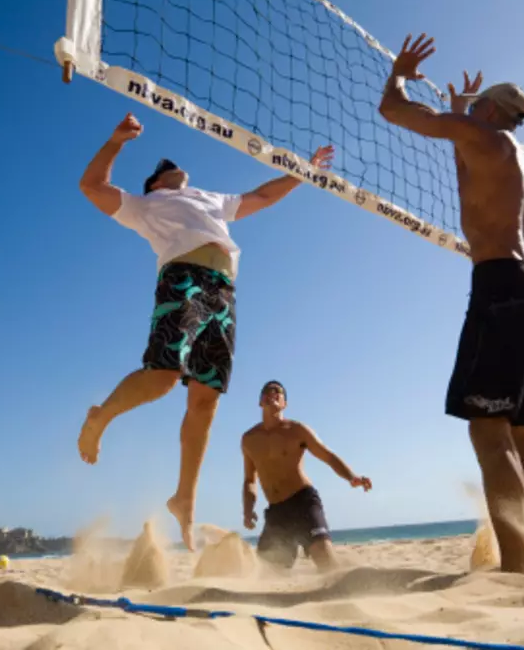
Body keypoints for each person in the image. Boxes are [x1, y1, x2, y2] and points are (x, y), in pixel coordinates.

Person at [76, 112, 334, 551]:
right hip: (184, 280)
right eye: (160, 169)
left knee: (206, 398)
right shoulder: (145, 207)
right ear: (154, 185)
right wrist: (116, 141)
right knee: (162, 377)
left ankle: (185, 498)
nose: (169, 164)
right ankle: (101, 416)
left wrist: (304, 172)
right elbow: (92, 187)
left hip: (224, 293)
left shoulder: (209, 199)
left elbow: (263, 196)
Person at [378, 34, 524, 575]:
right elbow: (468, 168)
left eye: (479, 107)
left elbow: (393, 110)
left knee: (487, 428)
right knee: (519, 438)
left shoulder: (482, 134)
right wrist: (460, 110)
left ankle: (519, 570)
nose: (473, 112)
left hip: (501, 284)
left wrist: (399, 71)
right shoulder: (522, 156)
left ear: (492, 110)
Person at [241, 380, 372, 572]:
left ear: (284, 403)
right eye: (267, 392)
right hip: (277, 513)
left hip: (303, 502)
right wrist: (248, 509)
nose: (272, 394)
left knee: (326, 561)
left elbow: (327, 455)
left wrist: (352, 477)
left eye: (278, 392)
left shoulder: (297, 430)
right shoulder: (249, 439)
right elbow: (250, 480)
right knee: (269, 572)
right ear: (260, 402)